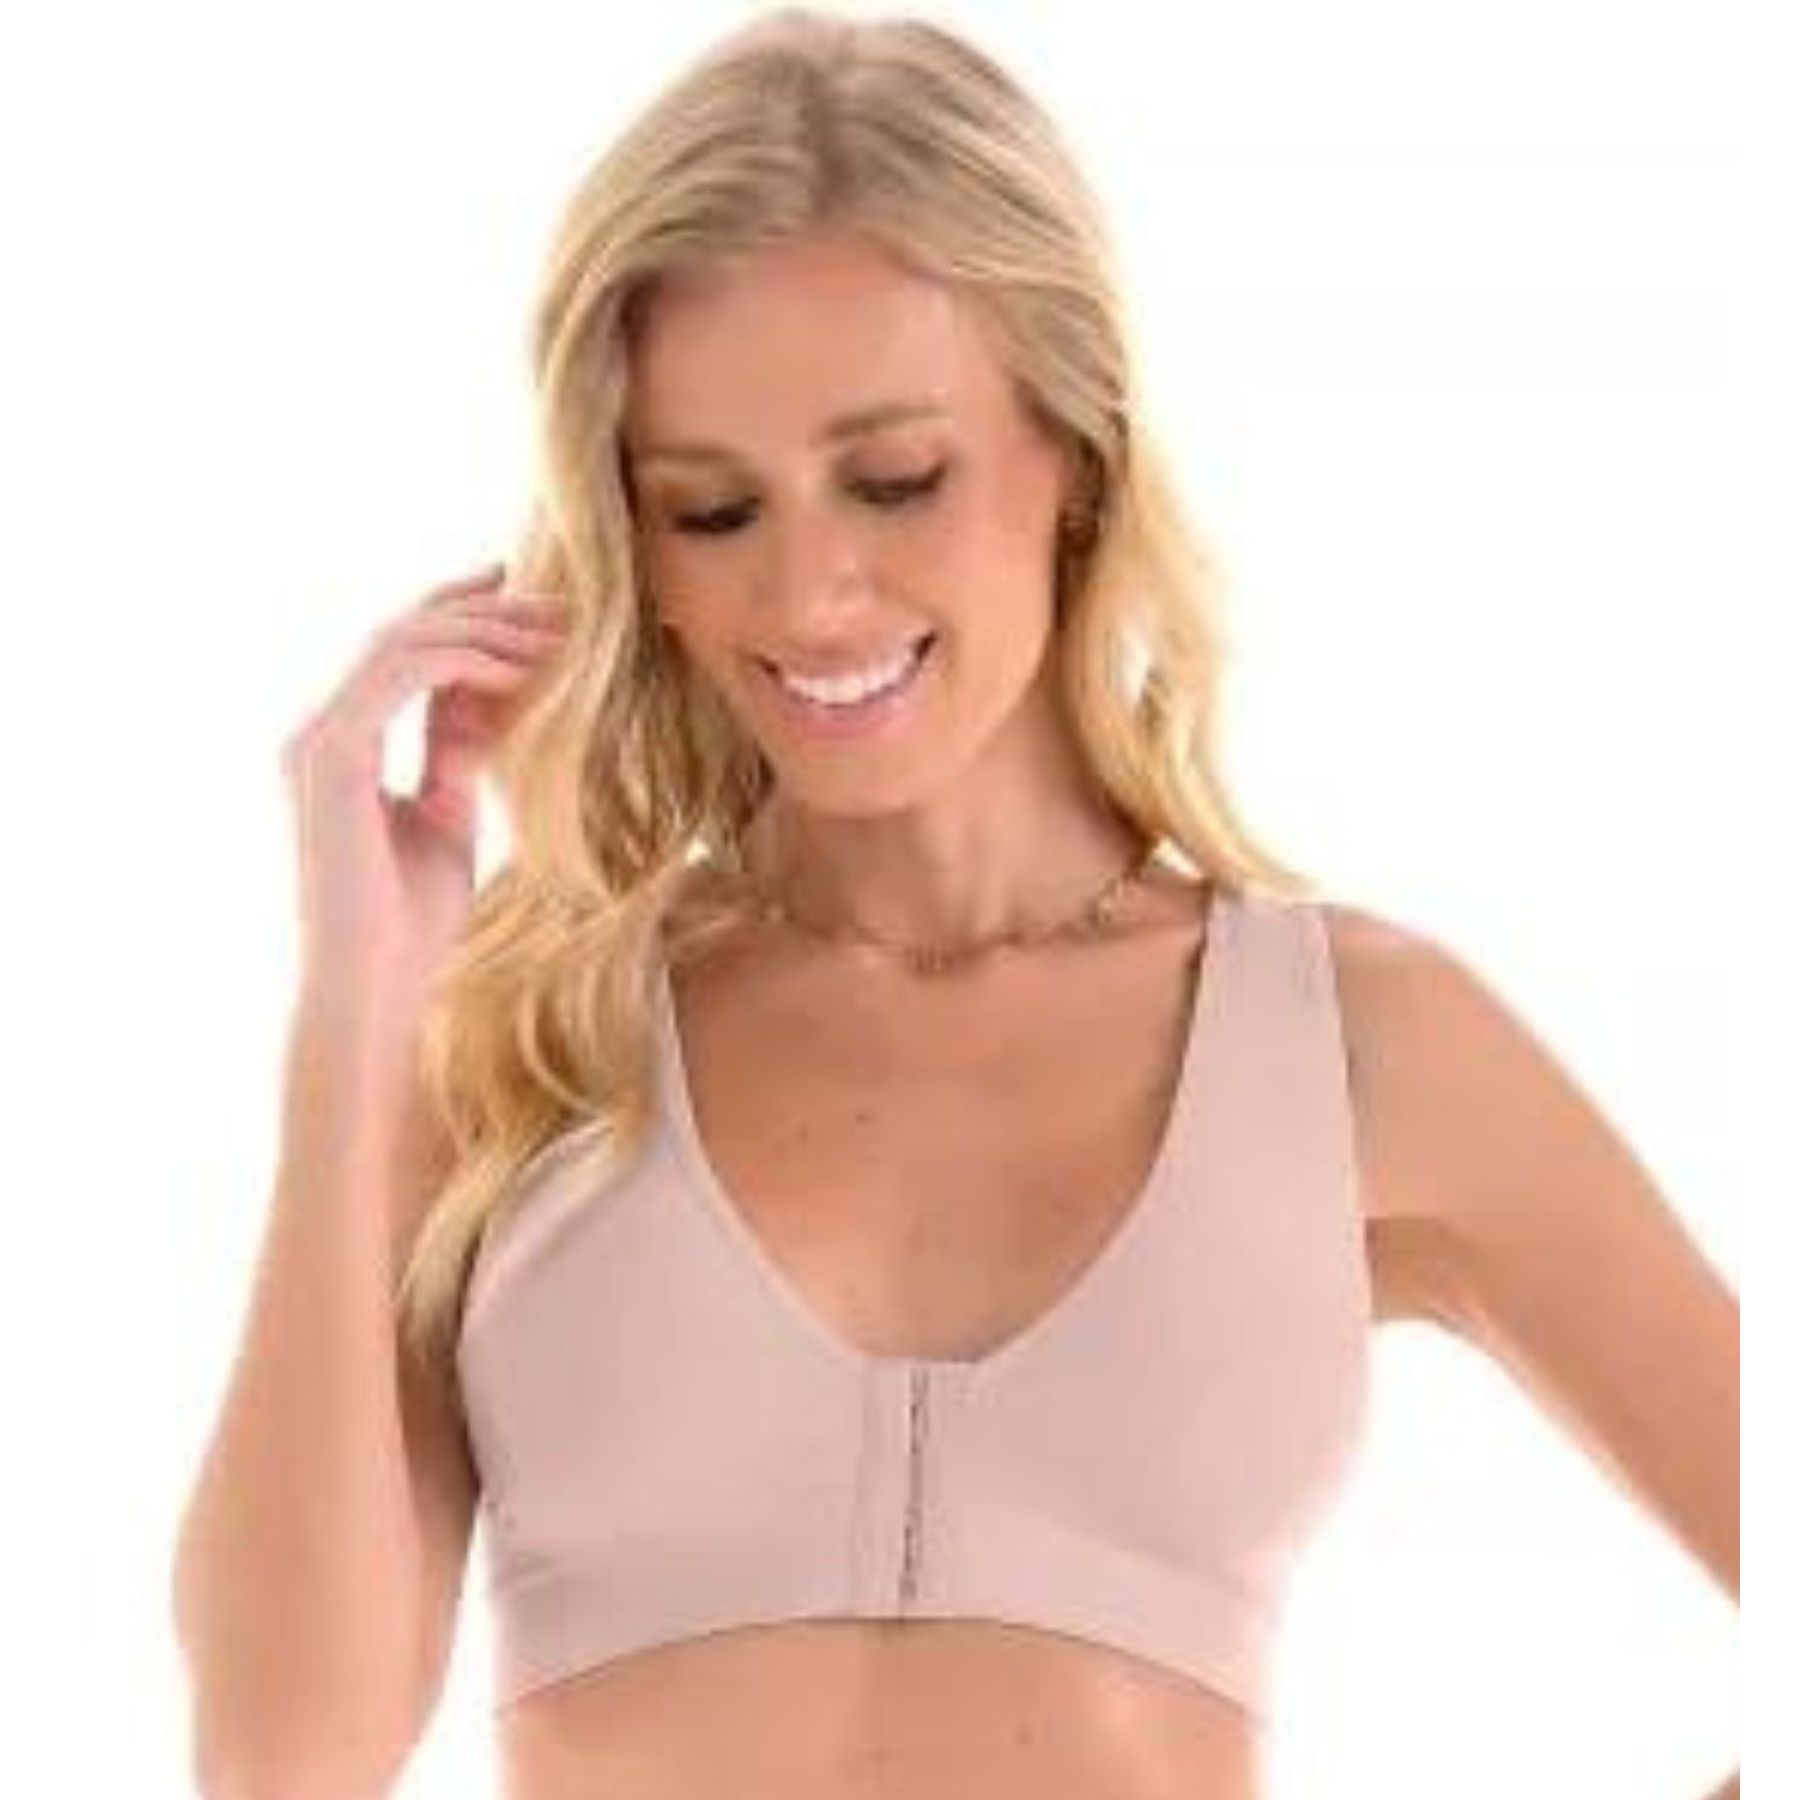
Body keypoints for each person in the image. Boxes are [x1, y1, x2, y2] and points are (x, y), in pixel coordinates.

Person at [169, 9, 1740, 1800]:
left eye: (894, 480)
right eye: (710, 510)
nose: (809, 596)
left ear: (1076, 448)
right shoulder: (530, 1032)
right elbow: (277, 1760)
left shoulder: (1354, 1041)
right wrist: (358, 1004)